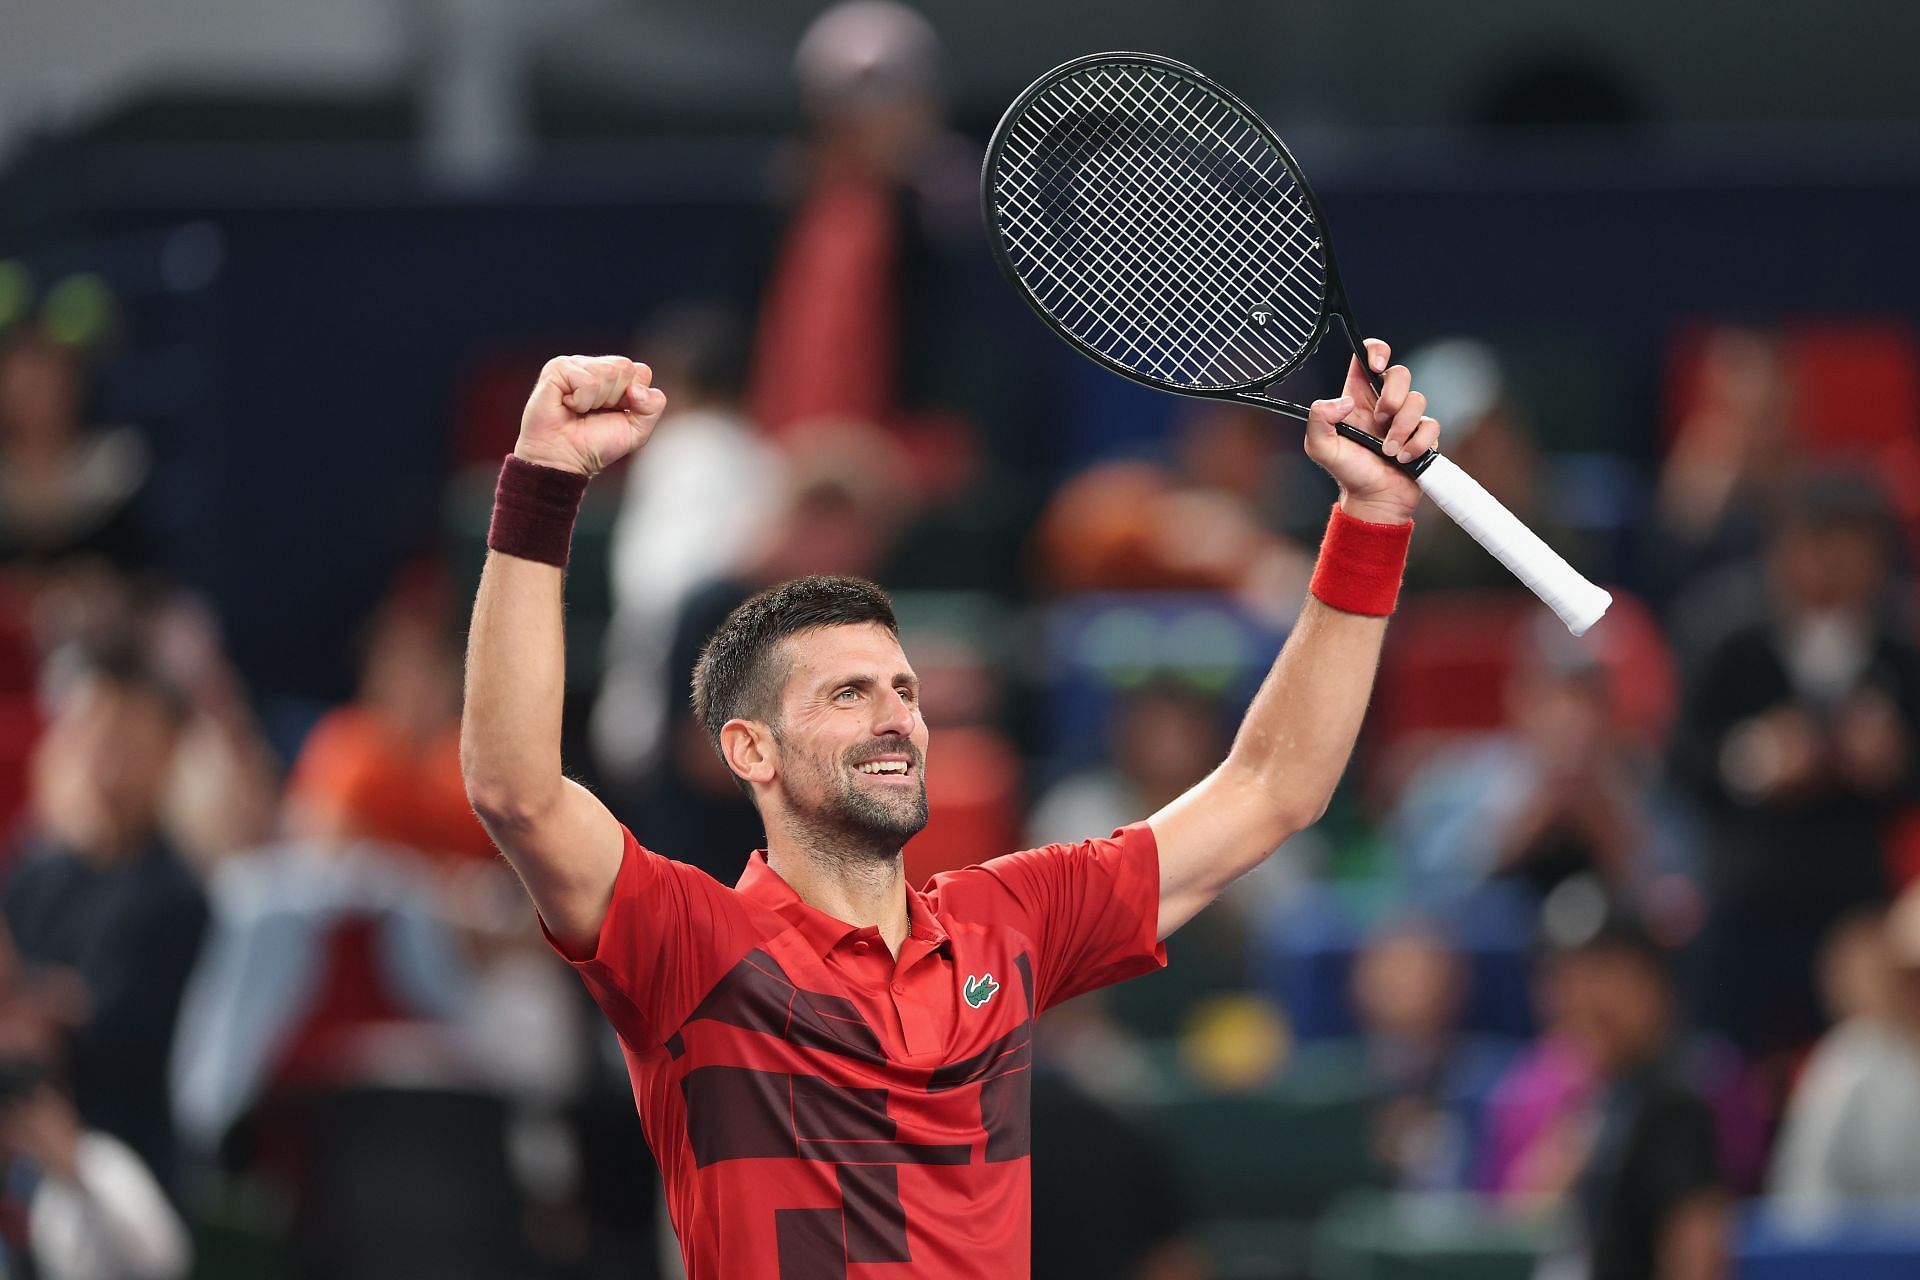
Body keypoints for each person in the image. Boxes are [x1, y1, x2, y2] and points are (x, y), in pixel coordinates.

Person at [461, 343, 1440, 1277]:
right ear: (749, 749)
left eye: (906, 690)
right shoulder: (692, 942)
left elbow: (1273, 787)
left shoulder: (1006, 924)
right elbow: (516, 788)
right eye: (848, 693)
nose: (897, 719)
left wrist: (1371, 516)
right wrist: (545, 479)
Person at [4, 643, 207, 1197]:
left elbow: (110, 1030)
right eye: (95, 731)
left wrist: (31, 1005)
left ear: (167, 748)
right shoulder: (32, 874)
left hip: (120, 1170)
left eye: (129, 737)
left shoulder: (179, 897)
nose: (109, 755)